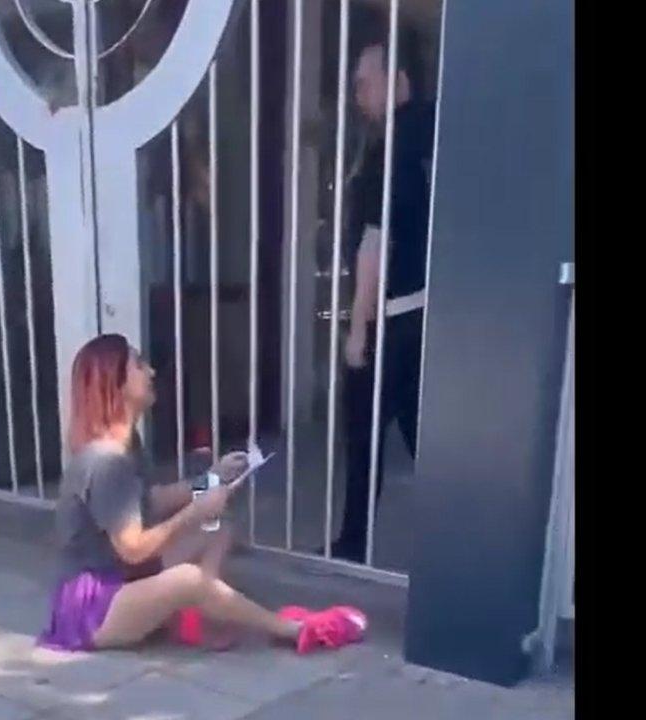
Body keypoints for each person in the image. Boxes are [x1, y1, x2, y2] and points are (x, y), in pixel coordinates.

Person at [39, 334, 367, 653]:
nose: (151, 371)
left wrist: (212, 479)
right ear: (115, 384)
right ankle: (291, 629)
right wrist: (196, 511)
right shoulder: (106, 461)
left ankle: (197, 614)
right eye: (138, 365)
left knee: (217, 530)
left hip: (121, 578)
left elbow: (152, 500)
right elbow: (134, 549)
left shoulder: (128, 444)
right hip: (90, 609)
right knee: (189, 578)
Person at [331, 36, 436, 563]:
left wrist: (357, 328)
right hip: (423, 312)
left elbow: (376, 241)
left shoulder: (390, 149)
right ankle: (460, 543)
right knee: (427, 439)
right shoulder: (433, 136)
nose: (357, 96)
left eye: (364, 83)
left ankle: (353, 547)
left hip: (391, 319)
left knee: (363, 435)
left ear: (398, 81)